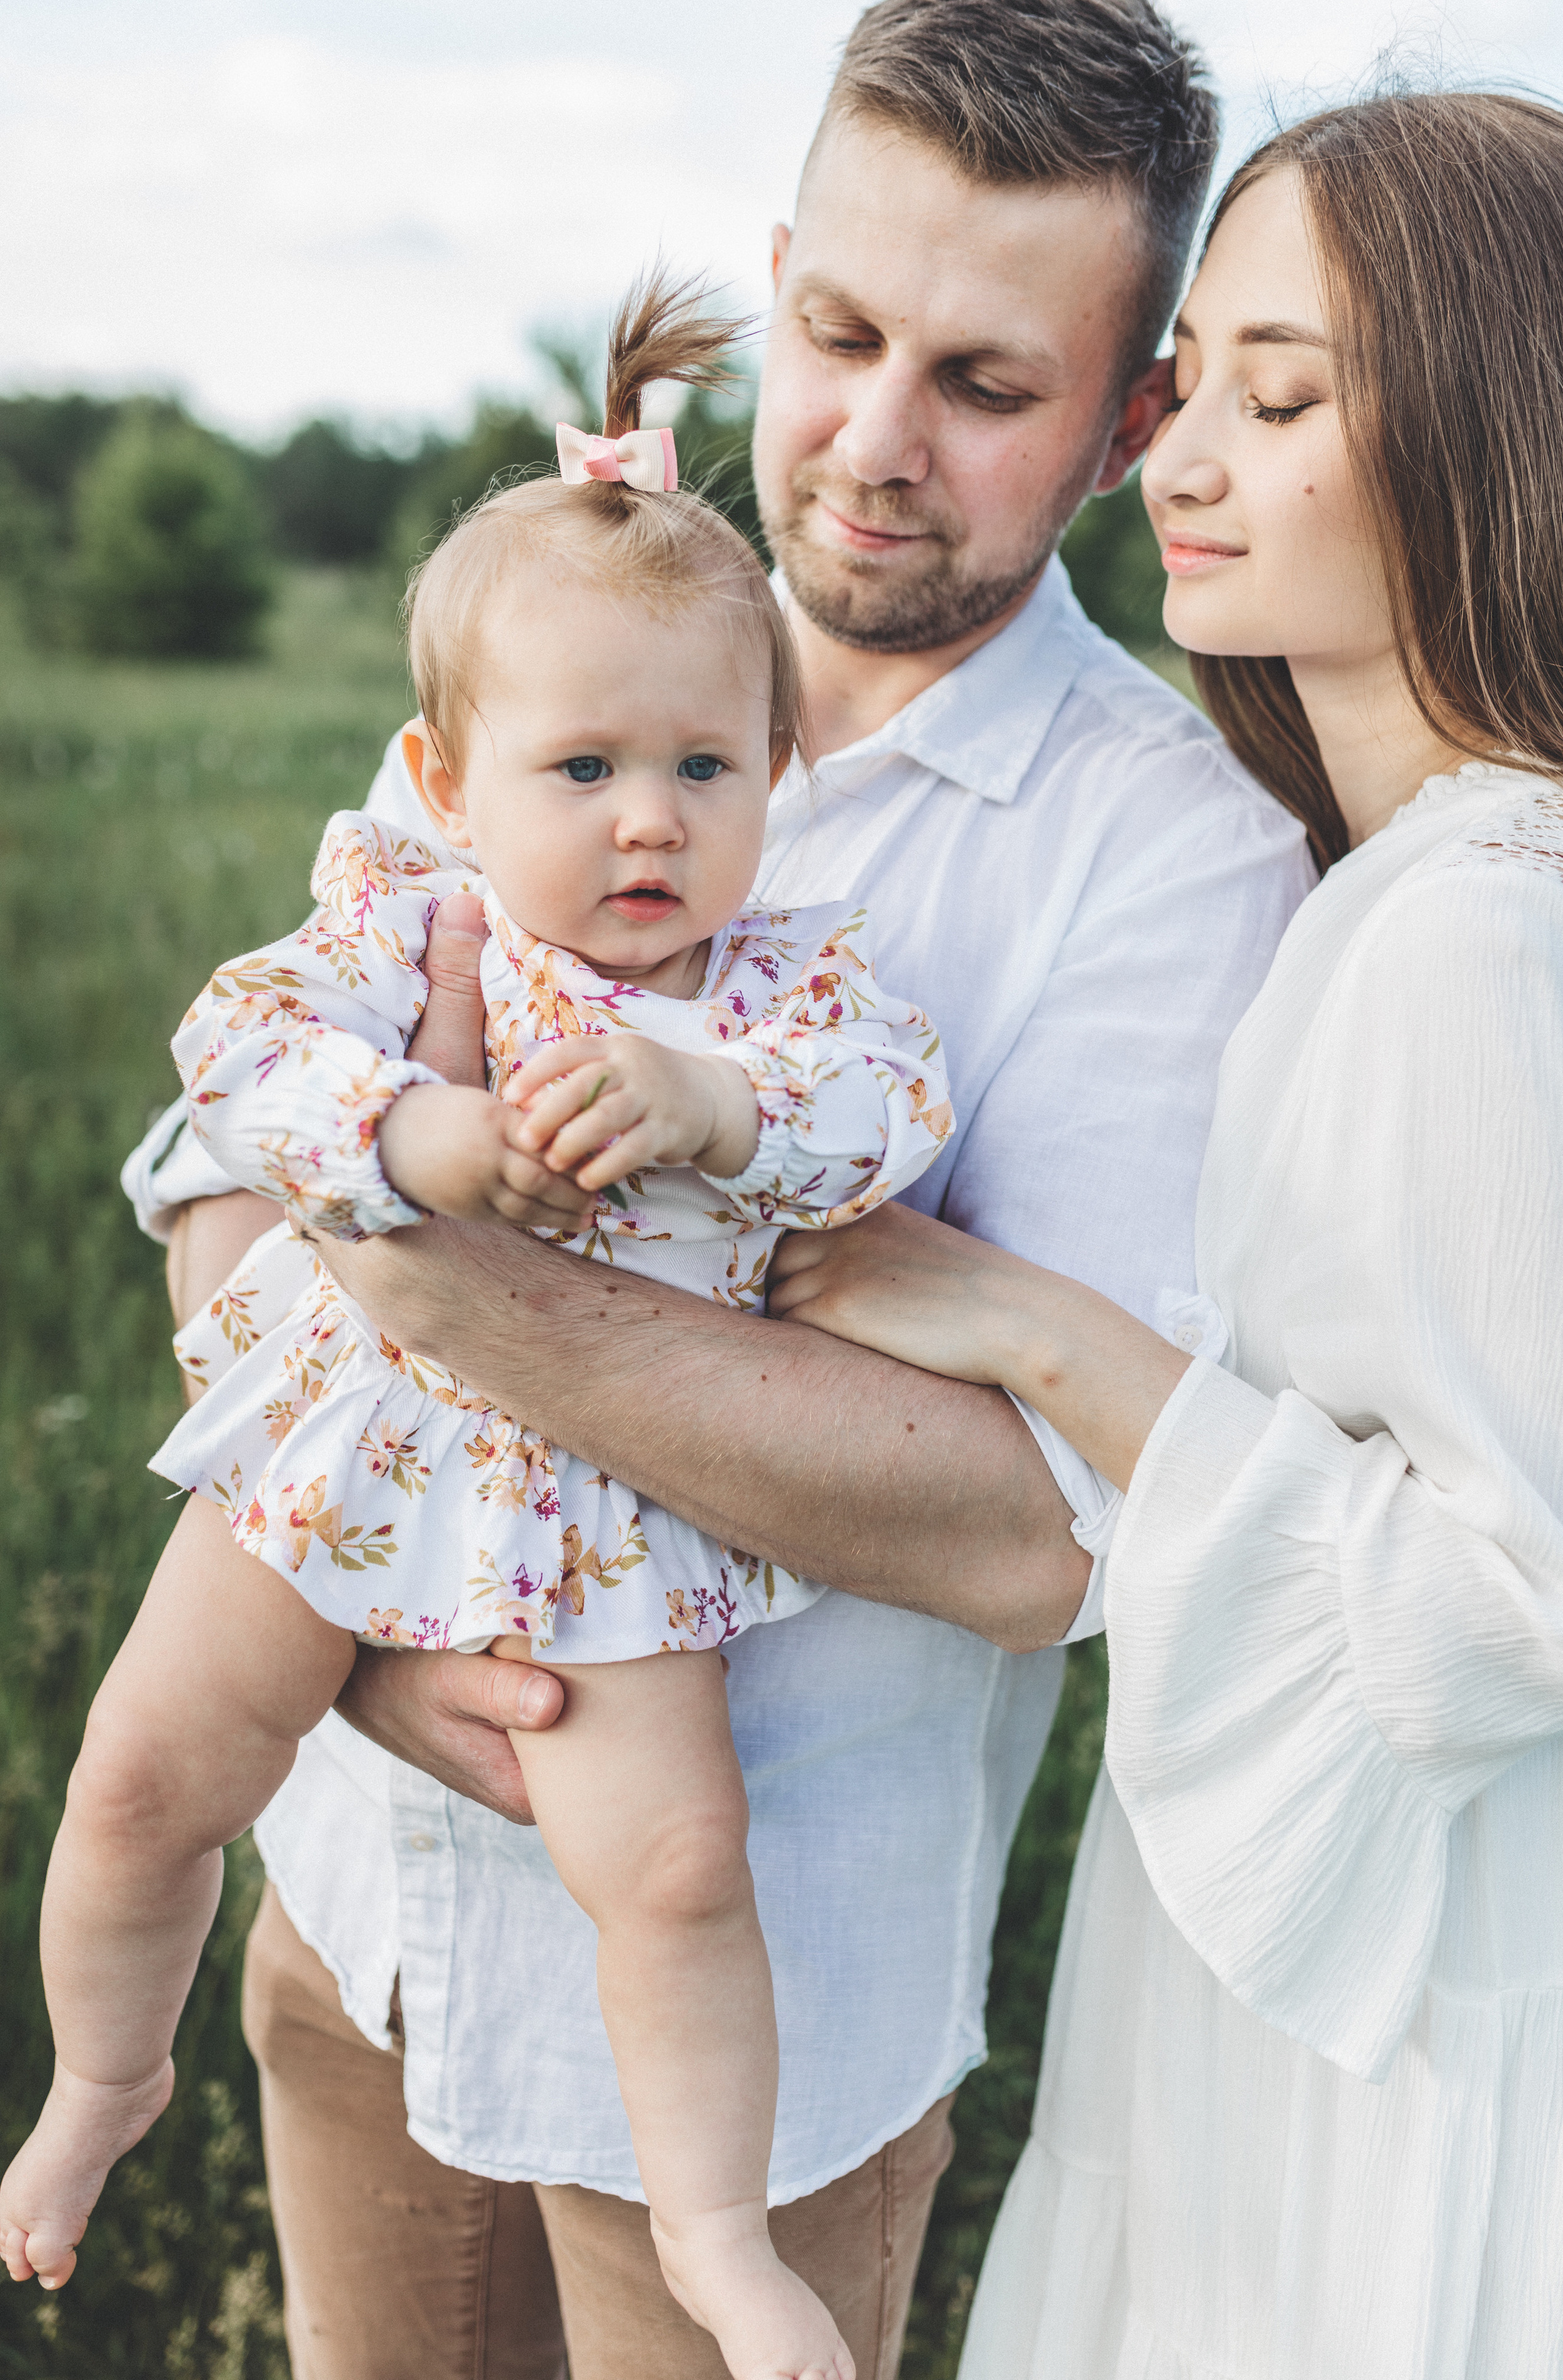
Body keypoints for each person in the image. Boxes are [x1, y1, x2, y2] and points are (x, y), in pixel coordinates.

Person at [120, 0, 1312, 2374]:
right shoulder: (576, 632)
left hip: (765, 2043)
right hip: (360, 1894)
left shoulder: (1172, 862)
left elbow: (1033, 1536)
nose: (873, 440)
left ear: (1120, 422)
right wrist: (350, 1629)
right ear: (774, 284)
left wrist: (448, 1291)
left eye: (985, 387)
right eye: (842, 332)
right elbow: (217, 1135)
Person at [3, 277, 963, 2380]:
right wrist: (413, 1126)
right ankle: (102, 2081)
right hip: (352, 1443)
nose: (650, 817)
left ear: (776, 774)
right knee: (153, 1769)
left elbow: (895, 1111)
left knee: (681, 1869)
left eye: (708, 764)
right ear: (451, 775)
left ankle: (715, 2231)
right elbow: (227, 1049)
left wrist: (716, 1108)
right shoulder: (407, 924)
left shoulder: (773, 999)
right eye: (589, 764)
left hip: (614, 1516)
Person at [768, 89, 1563, 2380]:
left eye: (1284, 395)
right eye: (1189, 393)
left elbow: (1509, 1597)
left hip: (1407, 2051)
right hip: (1340, 1994)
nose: (1182, 464)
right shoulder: (1411, 885)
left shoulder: (1487, 933)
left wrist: (1047, 1335)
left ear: (1492, 423)